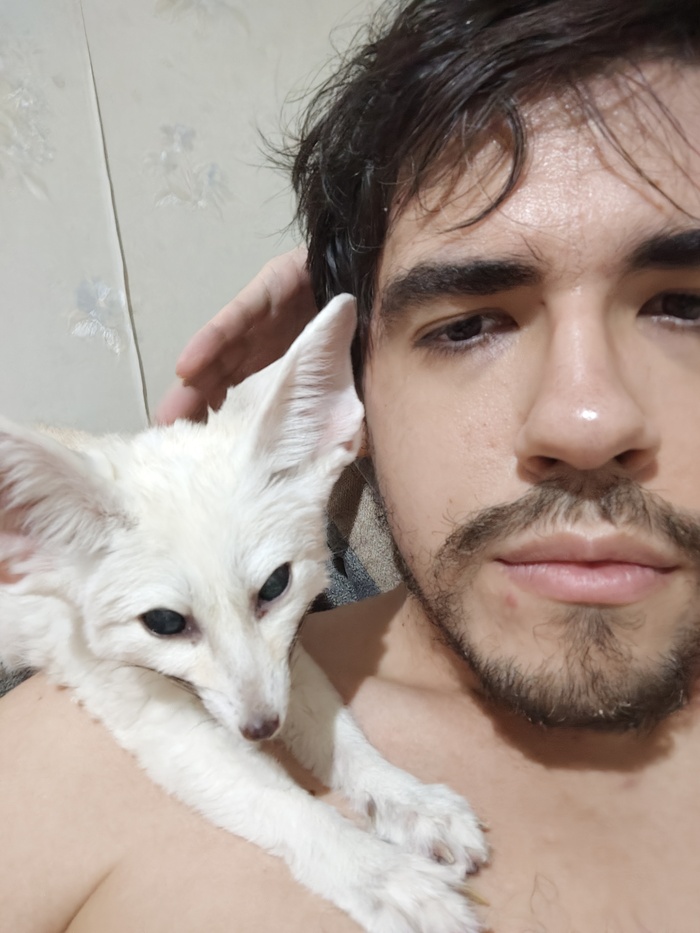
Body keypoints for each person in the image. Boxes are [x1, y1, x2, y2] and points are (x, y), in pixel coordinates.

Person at [3, 0, 700, 929]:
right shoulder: (64, 767)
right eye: (467, 324)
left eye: (688, 307)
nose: (585, 420)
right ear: (361, 392)